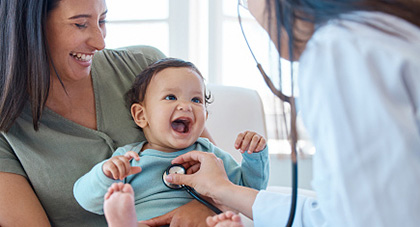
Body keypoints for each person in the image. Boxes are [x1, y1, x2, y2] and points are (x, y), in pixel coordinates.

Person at [160, 0, 420, 226]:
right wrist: (222, 190)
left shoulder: (340, 50)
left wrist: (230, 183)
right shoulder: (384, 35)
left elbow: (366, 220)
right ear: (140, 115)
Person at [0, 0, 219, 226]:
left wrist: (202, 207)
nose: (100, 42)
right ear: (30, 27)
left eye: (102, 21)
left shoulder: (148, 69)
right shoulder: (5, 125)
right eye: (80, 24)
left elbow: (220, 177)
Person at [72, 58, 270, 227]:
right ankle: (123, 221)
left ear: (205, 117)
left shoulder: (210, 155)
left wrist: (253, 156)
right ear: (141, 115)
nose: (185, 106)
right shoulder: (130, 159)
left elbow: (247, 191)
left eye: (196, 100)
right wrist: (106, 174)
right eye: (170, 97)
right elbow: (86, 199)